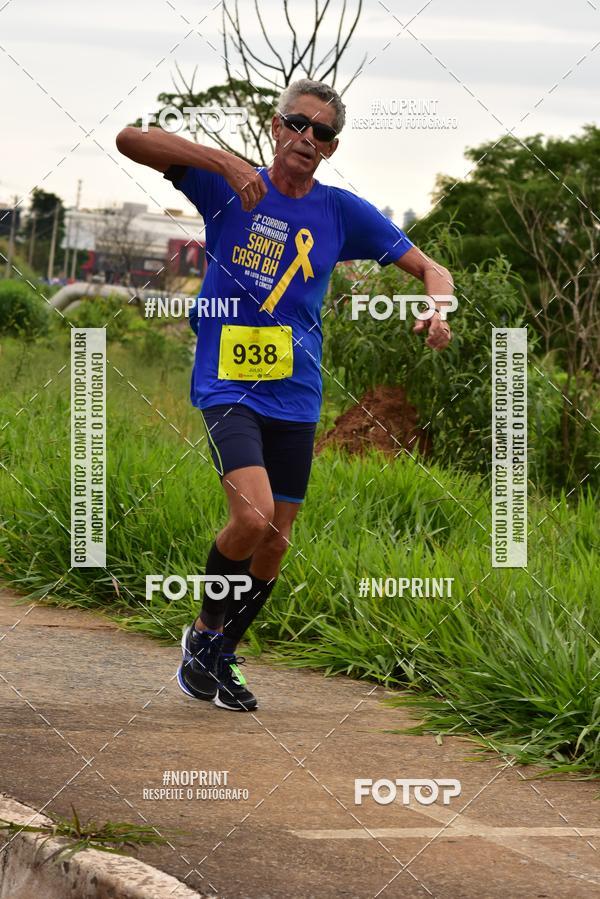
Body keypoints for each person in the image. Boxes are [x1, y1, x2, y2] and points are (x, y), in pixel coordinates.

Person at [116, 78, 454, 712]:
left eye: (321, 132)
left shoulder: (339, 211)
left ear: (330, 147)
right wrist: (219, 159)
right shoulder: (228, 186)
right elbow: (129, 139)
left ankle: (219, 653)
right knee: (253, 516)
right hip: (228, 383)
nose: (307, 138)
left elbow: (432, 268)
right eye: (297, 123)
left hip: (296, 394)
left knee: (277, 539)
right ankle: (202, 635)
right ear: (277, 126)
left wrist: (437, 310)